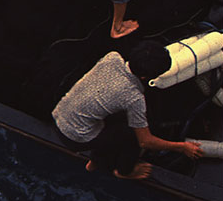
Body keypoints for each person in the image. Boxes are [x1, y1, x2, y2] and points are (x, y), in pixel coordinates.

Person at [52, 41, 204, 179]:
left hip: (61, 113)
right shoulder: (134, 98)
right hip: (76, 137)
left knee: (116, 115)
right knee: (132, 133)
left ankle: (96, 160)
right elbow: (146, 142)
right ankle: (125, 171)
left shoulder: (112, 58)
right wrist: (182, 147)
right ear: (145, 77)